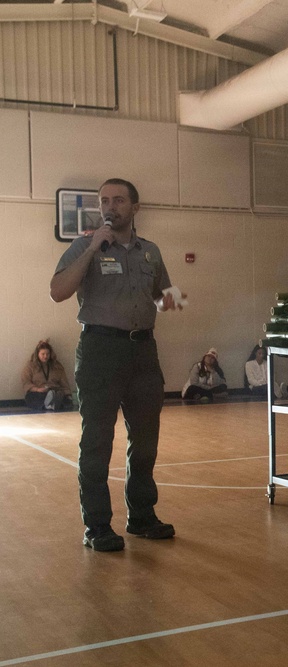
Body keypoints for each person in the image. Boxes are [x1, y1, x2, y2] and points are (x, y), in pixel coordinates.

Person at [49, 177, 182, 551]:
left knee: (145, 443)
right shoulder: (83, 246)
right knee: (97, 442)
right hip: (100, 352)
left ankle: (141, 516)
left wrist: (180, 298)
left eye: (119, 200)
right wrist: (92, 249)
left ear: (134, 208)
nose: (110, 207)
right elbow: (58, 291)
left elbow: (165, 297)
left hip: (143, 352)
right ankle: (97, 527)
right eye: (105, 200)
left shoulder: (151, 252)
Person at [20, 340, 72, 411]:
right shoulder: (30, 366)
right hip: (38, 392)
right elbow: (26, 383)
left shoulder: (57, 366)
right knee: (31, 397)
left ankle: (52, 402)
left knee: (62, 397)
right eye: (43, 354)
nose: (45, 356)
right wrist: (37, 389)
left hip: (54, 391)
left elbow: (64, 383)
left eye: (47, 354)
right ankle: (49, 404)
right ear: (37, 354)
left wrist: (68, 394)